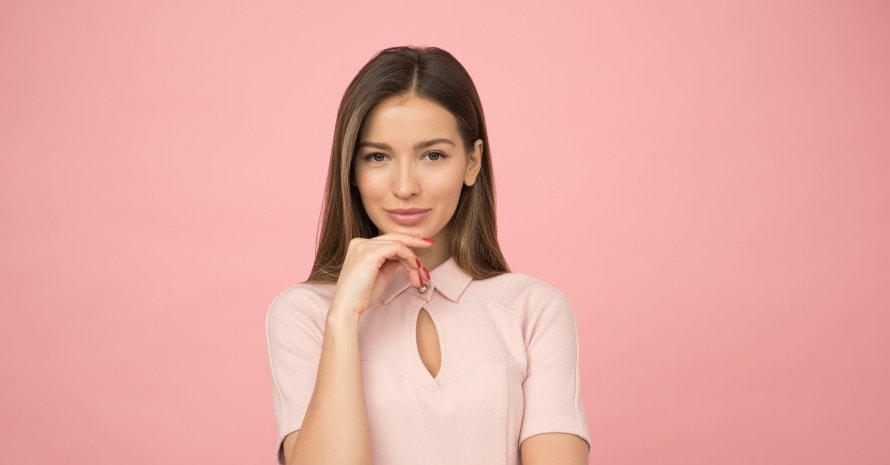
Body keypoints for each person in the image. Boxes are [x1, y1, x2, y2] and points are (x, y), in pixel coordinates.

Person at [266, 46, 590, 465]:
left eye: (432, 155)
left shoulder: (534, 310)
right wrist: (343, 319)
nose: (405, 186)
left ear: (472, 162)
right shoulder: (305, 314)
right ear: (352, 169)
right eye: (377, 157)